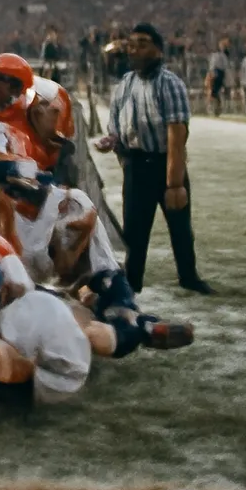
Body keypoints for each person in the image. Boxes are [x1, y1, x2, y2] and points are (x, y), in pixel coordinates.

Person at [95, 22, 213, 296]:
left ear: (158, 51)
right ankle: (132, 281)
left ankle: (188, 276)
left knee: (180, 227)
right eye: (132, 44)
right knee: (134, 231)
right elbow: (117, 126)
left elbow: (177, 135)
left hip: (165, 163)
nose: (135, 49)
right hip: (136, 166)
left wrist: (175, 183)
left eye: (143, 44)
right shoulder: (125, 84)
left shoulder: (169, 83)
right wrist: (111, 140)